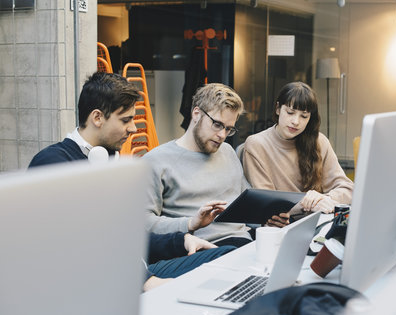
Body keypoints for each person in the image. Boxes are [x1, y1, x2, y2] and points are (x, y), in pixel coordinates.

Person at [28, 72, 234, 291]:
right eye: (126, 120)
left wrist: (181, 241)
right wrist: (145, 281)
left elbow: (125, 237)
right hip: (100, 283)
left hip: (135, 271)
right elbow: (81, 244)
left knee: (228, 256)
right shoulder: (53, 163)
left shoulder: (109, 161)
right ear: (97, 118)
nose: (134, 128)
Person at [144, 83, 256, 247]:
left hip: (243, 242)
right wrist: (189, 223)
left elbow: (245, 203)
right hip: (200, 249)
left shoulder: (227, 152)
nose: (222, 135)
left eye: (229, 129)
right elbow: (142, 223)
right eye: (217, 125)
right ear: (196, 114)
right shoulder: (156, 161)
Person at [242, 82, 354, 218]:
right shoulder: (257, 144)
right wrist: (309, 203)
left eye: (304, 116)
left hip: (318, 220)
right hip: (280, 227)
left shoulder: (320, 141)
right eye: (290, 112)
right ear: (278, 109)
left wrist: (325, 199)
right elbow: (267, 203)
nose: (296, 121)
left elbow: (348, 189)